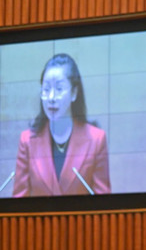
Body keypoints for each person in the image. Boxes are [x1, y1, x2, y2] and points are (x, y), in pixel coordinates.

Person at [13, 53, 110, 197]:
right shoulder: (27, 141)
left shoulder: (96, 139)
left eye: (59, 89)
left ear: (74, 93)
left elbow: (105, 204)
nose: (51, 98)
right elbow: (19, 203)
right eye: (46, 90)